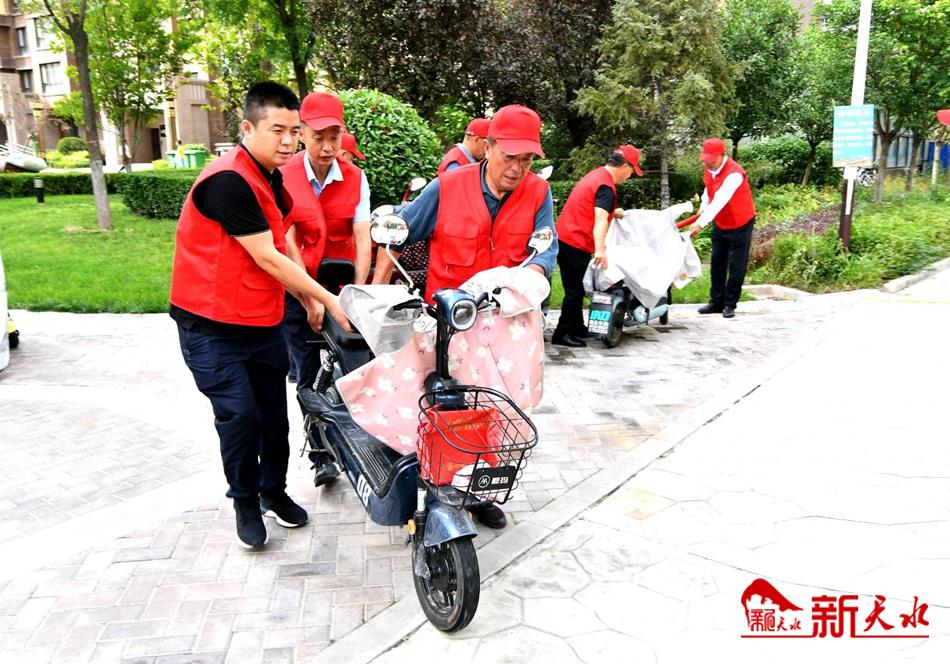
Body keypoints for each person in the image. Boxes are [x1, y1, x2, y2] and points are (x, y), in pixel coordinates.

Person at [169, 81, 349, 550]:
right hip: (212, 328)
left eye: (294, 131)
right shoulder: (228, 181)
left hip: (261, 320)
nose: (288, 142)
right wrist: (329, 300)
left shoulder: (270, 177)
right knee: (241, 417)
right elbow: (267, 255)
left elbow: (281, 242)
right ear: (247, 129)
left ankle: (274, 492)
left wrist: (306, 297)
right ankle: (245, 502)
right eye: (277, 131)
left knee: (273, 417)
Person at [371, 104, 558, 529]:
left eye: (527, 159)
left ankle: (479, 491)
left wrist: (531, 274)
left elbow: (545, 248)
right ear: (488, 147)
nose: (517, 168)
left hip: (505, 325)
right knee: (446, 407)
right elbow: (403, 230)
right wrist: (382, 265)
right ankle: (432, 483)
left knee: (499, 410)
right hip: (450, 324)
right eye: (509, 156)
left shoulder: (537, 193)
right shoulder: (447, 186)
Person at [553, 146, 643, 347]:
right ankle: (562, 334)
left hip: (567, 238)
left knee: (575, 288)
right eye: (632, 171)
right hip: (575, 241)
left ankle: (576, 327)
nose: (630, 176)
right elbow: (600, 218)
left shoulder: (597, 175)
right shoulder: (606, 187)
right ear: (625, 166)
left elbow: (594, 205)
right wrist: (601, 250)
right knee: (574, 291)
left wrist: (614, 212)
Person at [283, 92, 373, 285]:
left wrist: (356, 292)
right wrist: (309, 295)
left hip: (342, 281)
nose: (328, 147)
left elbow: (363, 239)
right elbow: (287, 242)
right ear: (301, 135)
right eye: (318, 138)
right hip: (296, 280)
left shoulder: (356, 178)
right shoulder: (283, 177)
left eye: (334, 138)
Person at [689, 138, 757, 319]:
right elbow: (708, 190)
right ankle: (716, 301)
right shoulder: (710, 168)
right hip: (721, 222)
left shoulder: (734, 174)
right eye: (706, 160)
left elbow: (720, 200)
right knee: (717, 262)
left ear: (722, 155)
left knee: (736, 266)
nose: (708, 163)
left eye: (712, 160)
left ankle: (729, 304)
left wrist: (700, 223)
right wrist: (703, 206)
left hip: (741, 223)